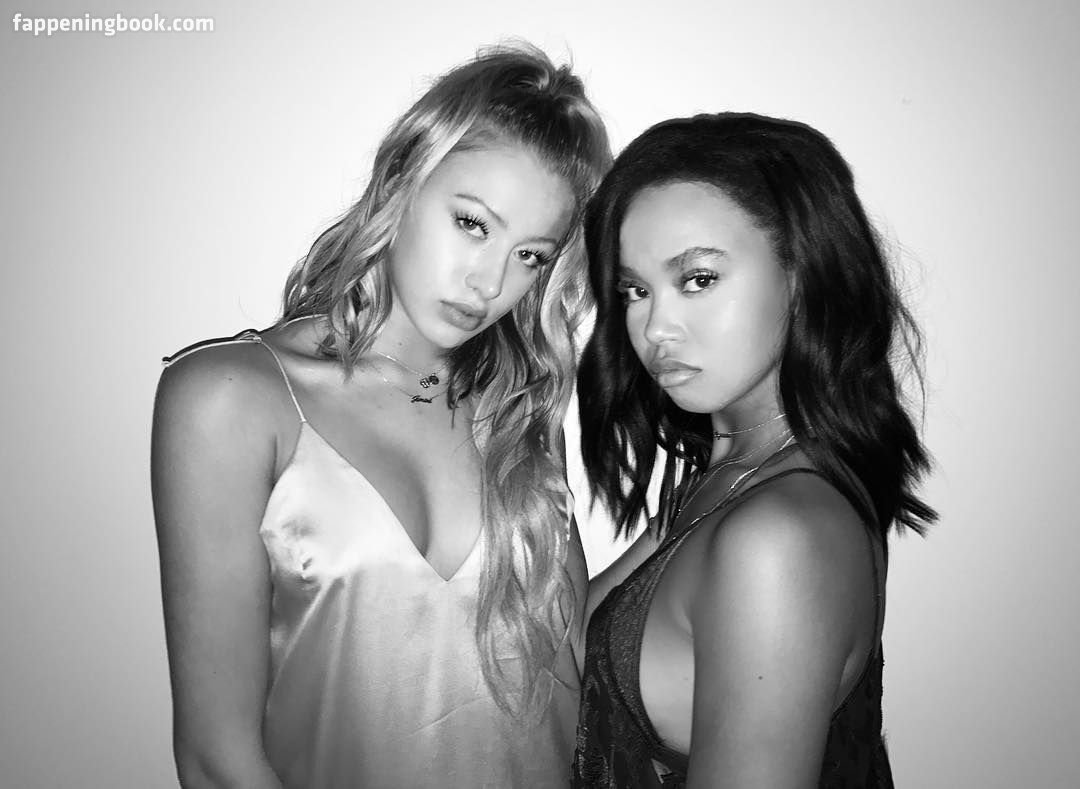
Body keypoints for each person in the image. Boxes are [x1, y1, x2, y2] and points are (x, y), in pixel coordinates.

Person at [151, 43, 610, 788]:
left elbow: (574, 653)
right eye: (473, 223)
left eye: (530, 255)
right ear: (404, 178)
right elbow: (215, 758)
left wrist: (706, 512)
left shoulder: (518, 411)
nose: (490, 280)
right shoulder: (230, 398)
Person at [571, 113, 936, 788]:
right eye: (635, 290)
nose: (655, 326)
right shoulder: (733, 476)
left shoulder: (777, 535)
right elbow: (561, 652)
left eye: (698, 278)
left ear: (801, 275)